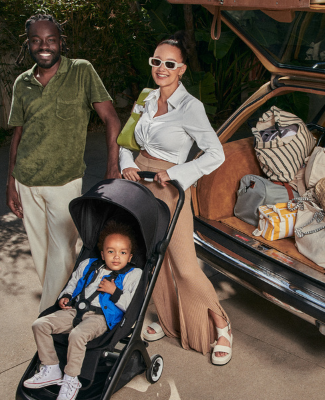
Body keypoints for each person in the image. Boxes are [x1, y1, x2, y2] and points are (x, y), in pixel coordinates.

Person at [119, 32, 232, 365]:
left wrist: (179, 173)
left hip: (170, 187)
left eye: (170, 63)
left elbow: (216, 153)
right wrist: (127, 165)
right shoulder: (144, 98)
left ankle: (221, 325)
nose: (162, 68)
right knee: (148, 257)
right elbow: (126, 141)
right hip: (139, 182)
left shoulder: (190, 107)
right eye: (157, 61)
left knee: (183, 265)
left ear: (181, 68)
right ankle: (168, 321)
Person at [6, 14, 122, 313]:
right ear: (28, 43)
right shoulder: (23, 82)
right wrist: (11, 181)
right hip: (26, 180)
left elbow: (111, 118)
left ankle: (50, 317)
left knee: (63, 254)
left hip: (64, 181)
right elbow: (18, 133)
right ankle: (65, 308)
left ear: (61, 42)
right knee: (42, 254)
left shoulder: (82, 71)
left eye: (51, 40)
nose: (44, 46)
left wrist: (113, 166)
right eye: (36, 41)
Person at [24, 221, 142, 400]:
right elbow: (72, 283)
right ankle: (51, 367)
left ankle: (71, 379)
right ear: (102, 254)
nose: (116, 257)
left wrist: (115, 292)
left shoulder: (133, 275)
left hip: (101, 317)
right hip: (75, 310)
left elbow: (132, 306)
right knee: (40, 324)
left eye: (122, 252)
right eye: (111, 251)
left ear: (130, 256)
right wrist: (66, 296)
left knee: (77, 335)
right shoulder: (88, 264)